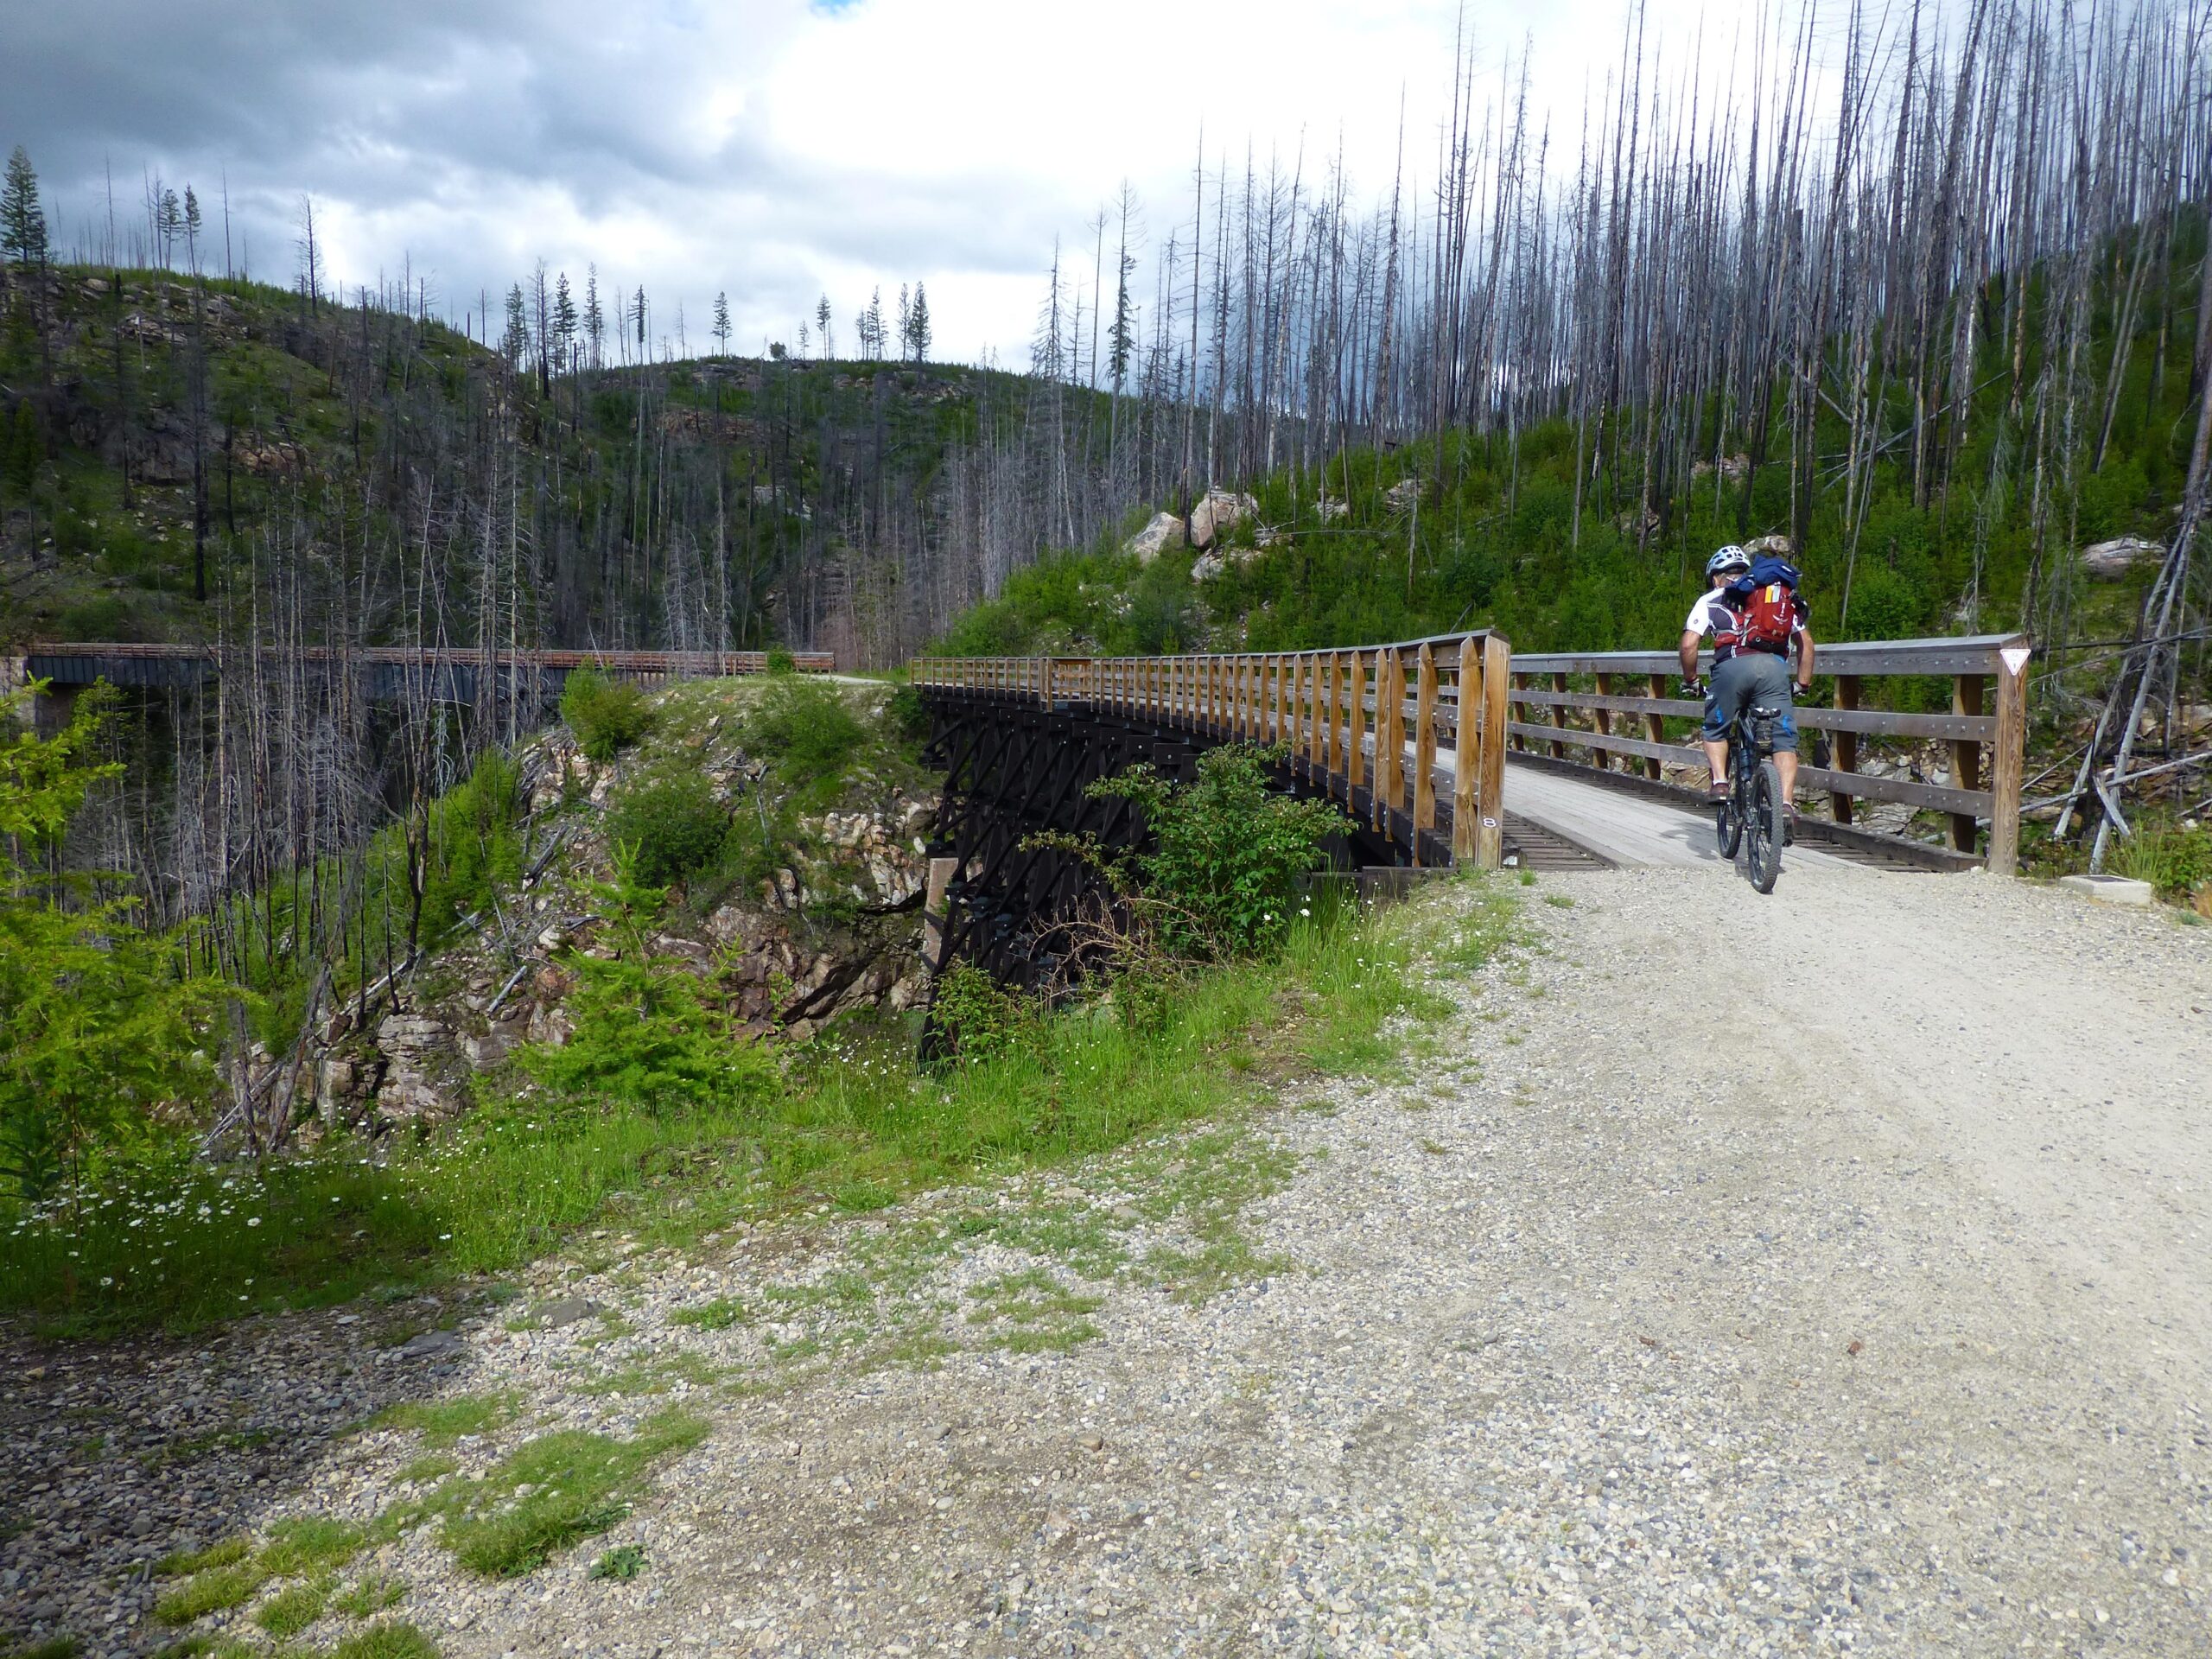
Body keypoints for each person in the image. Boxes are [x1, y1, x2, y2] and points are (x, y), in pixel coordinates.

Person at [1679, 543, 1815, 835]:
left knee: (1715, 729)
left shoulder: (1712, 599)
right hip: (1774, 671)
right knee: (1784, 741)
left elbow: (1690, 644)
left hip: (1732, 669)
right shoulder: (1774, 598)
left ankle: (1719, 782)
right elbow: (1806, 644)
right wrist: (1802, 683)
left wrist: (1691, 680)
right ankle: (1786, 804)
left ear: (1717, 577)